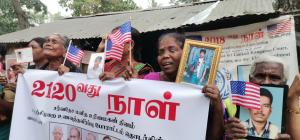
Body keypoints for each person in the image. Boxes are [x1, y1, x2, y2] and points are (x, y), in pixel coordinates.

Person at [143, 32, 224, 140]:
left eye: (172, 50)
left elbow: (216, 137)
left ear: (186, 52)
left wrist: (217, 104)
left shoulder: (203, 87)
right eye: (160, 52)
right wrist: (126, 84)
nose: (165, 56)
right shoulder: (150, 80)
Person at [225, 55, 293, 139]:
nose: (266, 82)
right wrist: (227, 136)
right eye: (260, 76)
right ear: (250, 79)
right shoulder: (230, 103)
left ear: (284, 82)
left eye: (274, 78)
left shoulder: (294, 109)